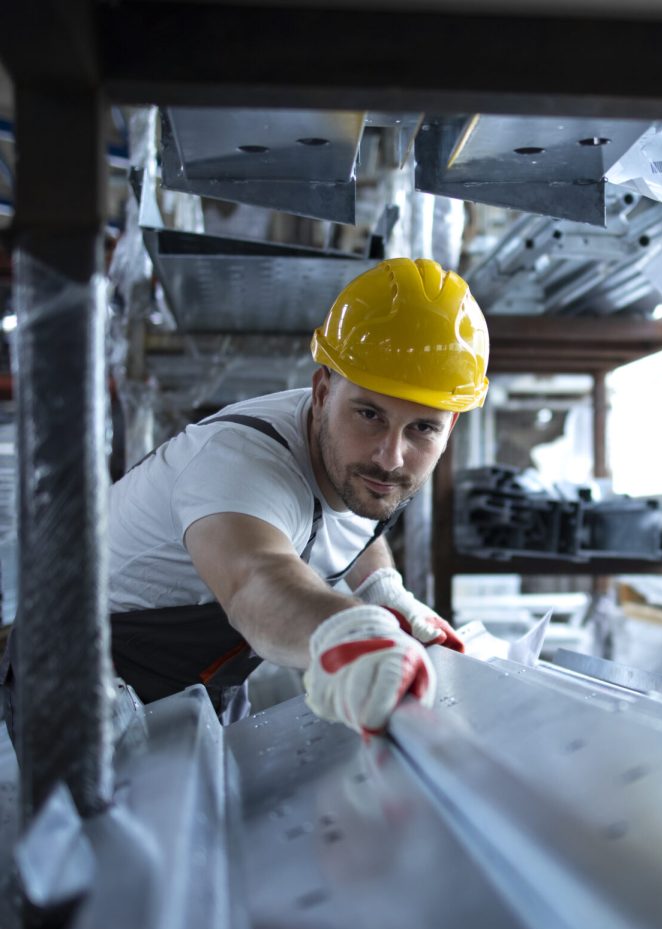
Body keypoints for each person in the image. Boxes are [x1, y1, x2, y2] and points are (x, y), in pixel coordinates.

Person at [106, 257, 489, 734]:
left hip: (202, 683)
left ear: (450, 426)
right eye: (369, 414)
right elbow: (255, 581)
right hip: (95, 688)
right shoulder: (239, 465)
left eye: (422, 428)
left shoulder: (354, 462)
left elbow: (356, 516)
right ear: (323, 391)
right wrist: (350, 629)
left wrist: (383, 589)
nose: (391, 457)